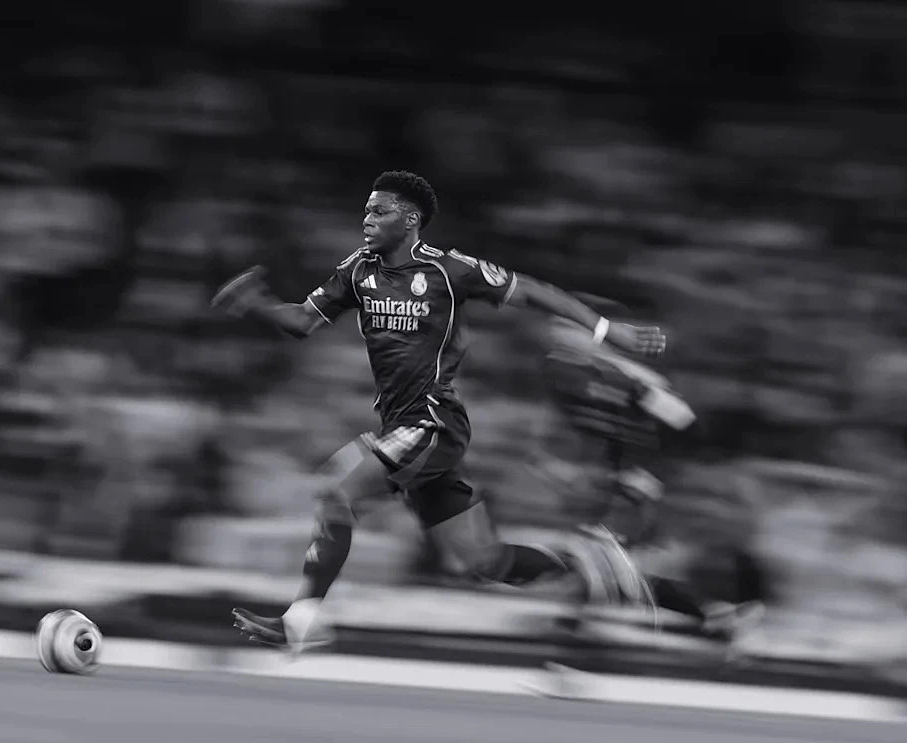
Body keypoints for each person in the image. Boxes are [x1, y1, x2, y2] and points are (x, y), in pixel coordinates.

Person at [212, 170, 666, 653]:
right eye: (366, 210)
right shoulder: (358, 271)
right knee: (486, 561)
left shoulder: (449, 271)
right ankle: (590, 569)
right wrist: (255, 302)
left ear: (410, 219)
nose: (367, 219)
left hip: (432, 423)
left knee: (337, 493)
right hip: (402, 429)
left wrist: (606, 331)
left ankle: (301, 622)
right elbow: (303, 320)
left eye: (379, 210)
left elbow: (533, 291)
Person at [539, 311, 766, 643]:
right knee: (610, 558)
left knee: (602, 550)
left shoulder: (623, 377)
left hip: (644, 476)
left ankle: (578, 623)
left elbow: (683, 422)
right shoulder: (561, 373)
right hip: (617, 477)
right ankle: (715, 617)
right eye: (557, 331)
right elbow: (593, 428)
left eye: (568, 331)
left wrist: (649, 475)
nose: (559, 337)